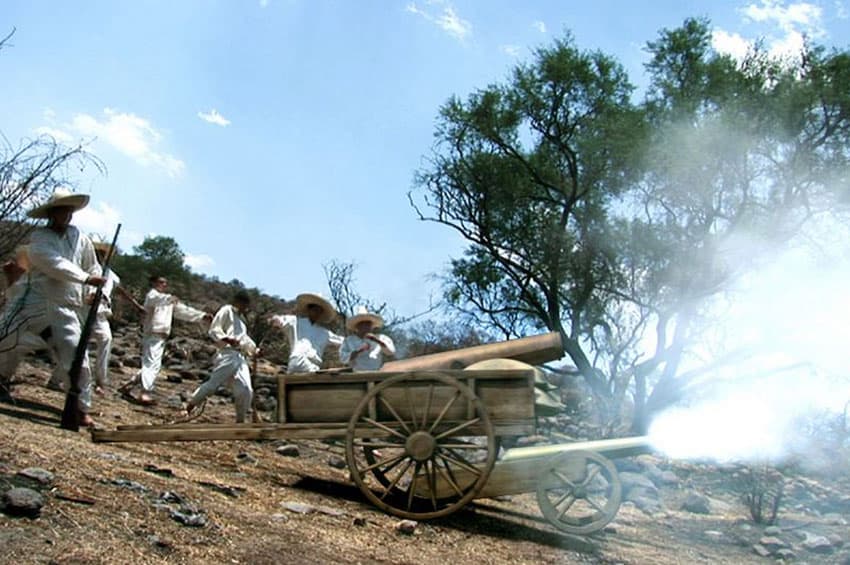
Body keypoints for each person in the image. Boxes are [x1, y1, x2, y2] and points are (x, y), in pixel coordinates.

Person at [25, 188, 105, 427]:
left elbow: (94, 267)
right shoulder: (40, 238)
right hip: (41, 303)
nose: (67, 215)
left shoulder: (80, 238)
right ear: (52, 213)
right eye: (62, 210)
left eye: (69, 211)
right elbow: (53, 264)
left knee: (77, 359)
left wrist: (91, 288)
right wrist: (85, 279)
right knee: (10, 340)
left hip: (70, 307)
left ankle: (80, 408)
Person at [119, 275, 210, 405]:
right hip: (152, 334)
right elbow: (156, 299)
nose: (164, 285)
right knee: (152, 364)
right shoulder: (152, 295)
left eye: (165, 283)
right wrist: (169, 298)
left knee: (152, 363)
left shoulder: (167, 300)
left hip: (161, 336)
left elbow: (183, 311)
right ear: (154, 283)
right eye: (161, 282)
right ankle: (144, 393)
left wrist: (201, 316)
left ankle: (129, 385)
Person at [185, 291, 257, 422]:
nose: (244, 307)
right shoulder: (226, 310)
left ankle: (240, 421)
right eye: (243, 304)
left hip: (240, 357)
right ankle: (189, 406)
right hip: (227, 353)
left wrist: (255, 350)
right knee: (212, 385)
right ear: (237, 301)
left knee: (246, 389)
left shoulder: (242, 322)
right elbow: (215, 328)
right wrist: (227, 339)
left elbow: (245, 340)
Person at [84, 241, 144, 394]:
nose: (102, 256)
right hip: (84, 309)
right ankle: (58, 379)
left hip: (101, 310)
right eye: (100, 253)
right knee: (75, 345)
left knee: (106, 340)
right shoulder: (87, 267)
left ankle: (100, 382)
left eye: (105, 254)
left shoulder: (112, 275)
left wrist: (136, 305)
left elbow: (121, 291)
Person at [0, 246, 56, 401]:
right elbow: (12, 299)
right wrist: (10, 277)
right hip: (20, 325)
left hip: (42, 328)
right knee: (9, 346)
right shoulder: (25, 282)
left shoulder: (42, 283)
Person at [268, 292, 342, 373]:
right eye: (314, 309)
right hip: (297, 359)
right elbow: (280, 320)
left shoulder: (324, 333)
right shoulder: (295, 322)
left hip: (313, 365)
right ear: (309, 310)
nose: (316, 312)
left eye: (319, 310)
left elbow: (341, 341)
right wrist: (275, 320)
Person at [339, 306, 395, 371]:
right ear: (357, 327)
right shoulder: (349, 340)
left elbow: (391, 352)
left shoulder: (381, 337)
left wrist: (376, 340)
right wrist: (359, 351)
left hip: (376, 373)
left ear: (372, 326)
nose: (365, 326)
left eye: (368, 324)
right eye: (362, 324)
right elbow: (343, 358)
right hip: (357, 375)